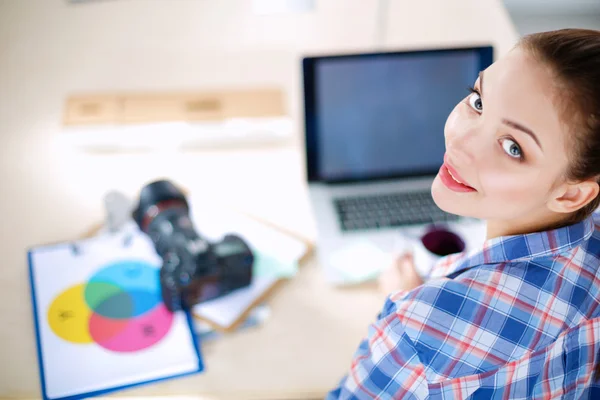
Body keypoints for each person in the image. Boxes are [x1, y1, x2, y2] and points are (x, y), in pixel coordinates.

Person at [327, 28, 600, 399]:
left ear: (571, 194)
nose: (460, 141)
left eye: (512, 147)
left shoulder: (418, 336)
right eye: (478, 102)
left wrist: (414, 312)